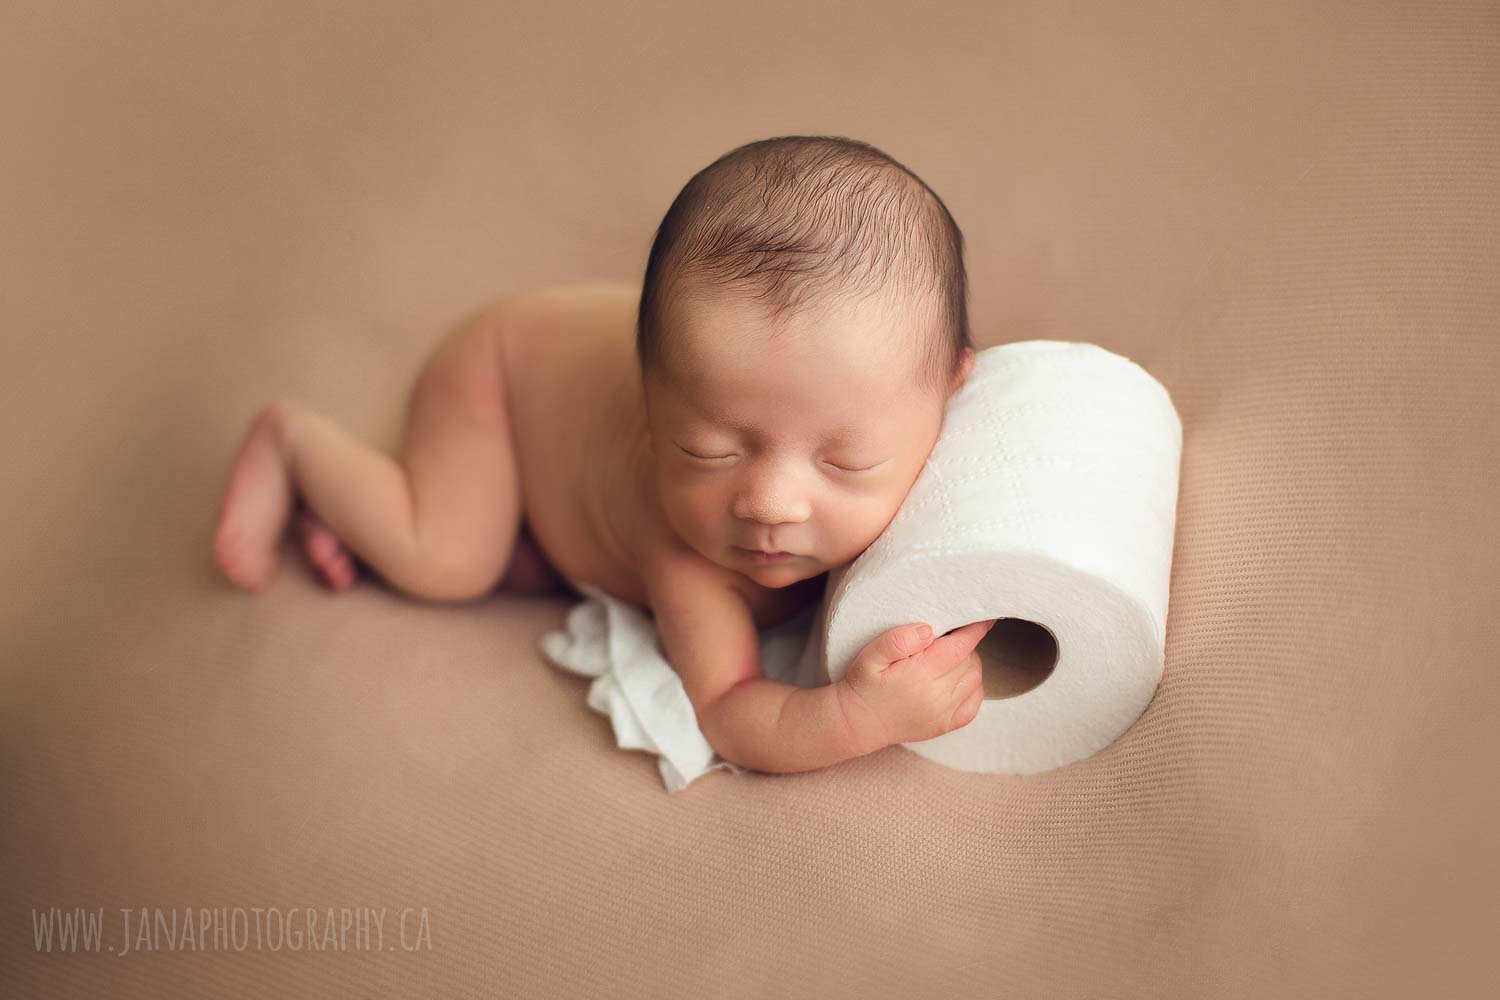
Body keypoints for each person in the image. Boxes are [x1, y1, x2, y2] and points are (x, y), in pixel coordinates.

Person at [212, 135, 996, 775]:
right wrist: (857, 715)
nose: (767, 505)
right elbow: (730, 711)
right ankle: (297, 444)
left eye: (844, 462)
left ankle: (373, 512)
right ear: (653, 396)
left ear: (955, 384)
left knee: (539, 568)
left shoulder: (887, 396)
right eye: (708, 450)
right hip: (502, 377)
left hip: (586, 386)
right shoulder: (697, 557)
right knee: (453, 560)